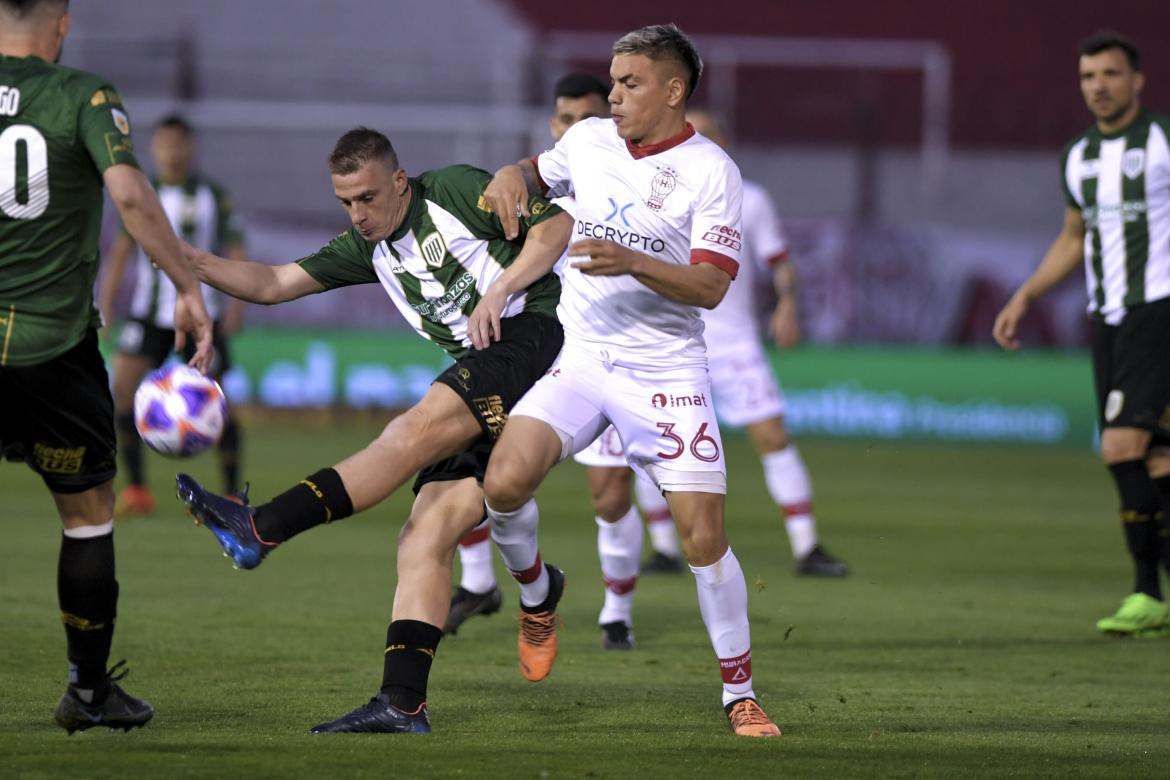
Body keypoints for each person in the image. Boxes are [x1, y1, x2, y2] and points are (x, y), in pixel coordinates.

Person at [173, 127, 572, 733]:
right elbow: (275, 283)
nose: (358, 215)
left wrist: (500, 288)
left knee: (411, 432)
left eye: (366, 197)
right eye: (345, 202)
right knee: (422, 535)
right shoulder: (369, 248)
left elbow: (556, 228)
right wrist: (193, 263)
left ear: (398, 181)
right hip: (484, 366)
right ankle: (402, 702)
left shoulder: (457, 191)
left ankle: (261, 527)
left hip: (535, 337)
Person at [480, 24, 781, 737]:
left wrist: (633, 260)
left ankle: (739, 692)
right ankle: (537, 592)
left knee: (703, 537)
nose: (612, 97)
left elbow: (709, 286)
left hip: (666, 370)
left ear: (674, 91)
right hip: (582, 358)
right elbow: (535, 171)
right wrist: (509, 176)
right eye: (612, 82)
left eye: (630, 84)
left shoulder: (714, 171)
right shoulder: (588, 141)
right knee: (501, 484)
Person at [0, 0, 214, 734]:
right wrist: (188, 287)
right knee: (88, 518)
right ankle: (88, 694)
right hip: (52, 349)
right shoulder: (83, 95)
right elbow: (128, 192)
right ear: (60, 20)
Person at [445, 72, 652, 651]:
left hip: (608, 354)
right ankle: (486, 583)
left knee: (609, 496)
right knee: (474, 461)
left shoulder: (624, 184)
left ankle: (616, 611)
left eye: (587, 119)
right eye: (564, 119)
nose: (573, 129)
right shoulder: (531, 197)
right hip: (537, 355)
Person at [993, 30, 1170, 637]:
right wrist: (1027, 294)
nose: (1099, 85)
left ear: (1137, 80)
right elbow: (1074, 237)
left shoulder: (1162, 141)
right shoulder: (1078, 155)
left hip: (1160, 310)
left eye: (1111, 74)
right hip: (1109, 318)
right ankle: (1153, 595)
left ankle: (1148, 592)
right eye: (1089, 76)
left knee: (1120, 446)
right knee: (1157, 458)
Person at [99, 114, 247, 514]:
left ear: (190, 148)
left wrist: (237, 304)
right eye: (164, 144)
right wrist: (107, 305)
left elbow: (236, 251)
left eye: (179, 143)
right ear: (155, 148)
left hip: (201, 312)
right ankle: (137, 490)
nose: (171, 151)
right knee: (124, 391)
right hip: (148, 314)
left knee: (218, 401)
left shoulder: (213, 196)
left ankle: (232, 493)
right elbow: (119, 255)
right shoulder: (142, 194)